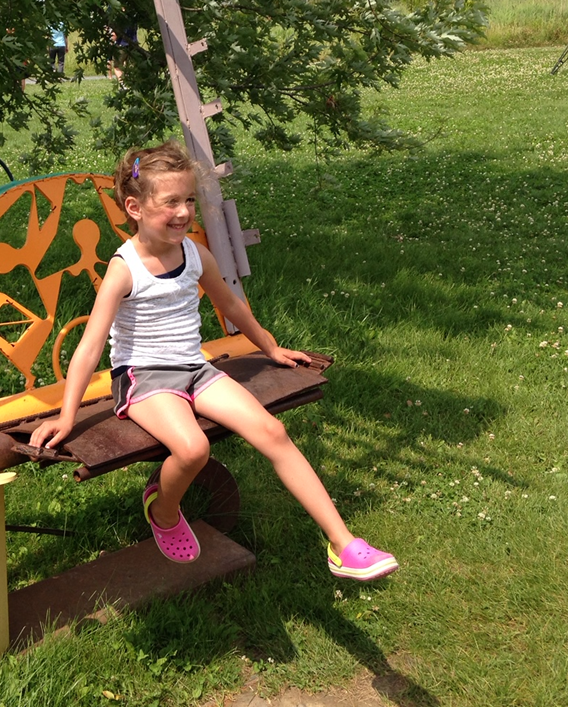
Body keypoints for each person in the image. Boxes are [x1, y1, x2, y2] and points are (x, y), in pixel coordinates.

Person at [29, 140, 398, 581]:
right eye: (171, 202)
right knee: (193, 449)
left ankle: (343, 544)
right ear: (134, 207)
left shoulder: (194, 254)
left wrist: (269, 347)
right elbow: (90, 347)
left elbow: (232, 306)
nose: (184, 212)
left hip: (195, 368)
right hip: (144, 377)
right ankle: (163, 510)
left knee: (273, 431)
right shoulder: (125, 269)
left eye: (189, 200)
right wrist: (67, 416)